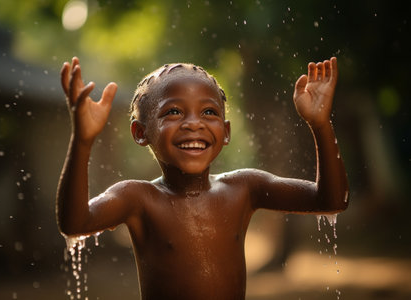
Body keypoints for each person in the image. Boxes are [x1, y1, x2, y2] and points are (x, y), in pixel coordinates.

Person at [56, 56, 348, 300]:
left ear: (226, 131)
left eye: (208, 112)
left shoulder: (245, 188)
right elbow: (75, 223)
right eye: (173, 112)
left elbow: (331, 199)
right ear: (140, 133)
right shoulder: (138, 198)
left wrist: (321, 124)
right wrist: (82, 140)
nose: (193, 123)